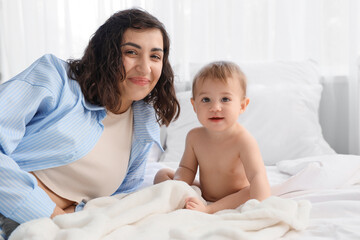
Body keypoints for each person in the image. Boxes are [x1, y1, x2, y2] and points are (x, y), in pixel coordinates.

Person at [0, 8, 179, 237]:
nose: (145, 68)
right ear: (107, 54)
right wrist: (54, 216)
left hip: (50, 228)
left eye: (155, 56)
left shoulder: (143, 128)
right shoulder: (56, 78)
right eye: (132, 52)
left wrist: (161, 184)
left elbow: (117, 200)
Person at [154, 61, 271, 213]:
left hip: (236, 195)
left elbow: (257, 176)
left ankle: (210, 209)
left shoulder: (243, 140)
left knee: (252, 190)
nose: (215, 107)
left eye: (225, 99)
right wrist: (179, 185)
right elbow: (186, 168)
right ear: (194, 105)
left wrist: (261, 205)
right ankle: (181, 199)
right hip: (205, 192)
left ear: (242, 106)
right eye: (206, 100)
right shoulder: (194, 137)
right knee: (162, 174)